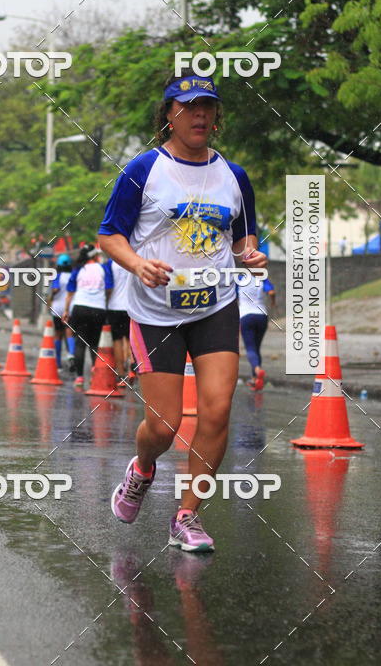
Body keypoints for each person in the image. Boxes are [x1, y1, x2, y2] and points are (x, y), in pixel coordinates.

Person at [98, 69, 266, 553]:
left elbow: (243, 238)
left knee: (216, 410)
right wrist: (136, 264)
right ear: (169, 115)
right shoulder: (143, 169)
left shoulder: (234, 176)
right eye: (189, 106)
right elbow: (109, 234)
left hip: (216, 305)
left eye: (207, 107)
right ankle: (142, 469)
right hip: (155, 312)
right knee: (165, 425)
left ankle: (187, 515)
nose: (199, 114)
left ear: (217, 118)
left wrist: (249, 255)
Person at [62, 244, 113, 387]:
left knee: (80, 342)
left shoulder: (78, 270)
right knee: (95, 343)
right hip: (98, 308)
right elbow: (109, 288)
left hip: (80, 308)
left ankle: (79, 378)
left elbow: (70, 294)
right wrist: (105, 301)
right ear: (95, 256)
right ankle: (94, 373)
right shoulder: (103, 268)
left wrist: (66, 311)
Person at [238, 275, 275, 391]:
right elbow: (272, 292)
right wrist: (273, 303)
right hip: (261, 315)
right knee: (256, 348)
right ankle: (255, 380)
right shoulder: (262, 278)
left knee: (250, 348)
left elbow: (232, 297)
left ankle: (257, 369)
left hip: (246, 316)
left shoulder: (239, 279)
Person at [103, 257, 134, 384]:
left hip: (114, 306)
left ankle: (121, 373)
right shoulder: (132, 259)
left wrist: (106, 301)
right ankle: (132, 367)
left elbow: (108, 287)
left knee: (117, 340)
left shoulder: (110, 264)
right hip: (131, 306)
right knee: (131, 338)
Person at [46, 254, 73, 369]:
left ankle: (58, 363)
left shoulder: (57, 276)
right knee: (69, 331)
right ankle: (71, 355)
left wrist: (51, 297)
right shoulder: (73, 276)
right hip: (69, 307)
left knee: (58, 334)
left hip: (57, 308)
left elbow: (55, 289)